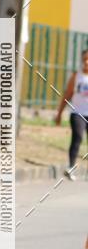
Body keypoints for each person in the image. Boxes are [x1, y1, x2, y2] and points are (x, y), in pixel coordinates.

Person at [55, 47, 88, 180]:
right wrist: (59, 113)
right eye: (85, 59)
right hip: (77, 113)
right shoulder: (76, 76)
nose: (86, 62)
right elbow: (67, 95)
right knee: (78, 137)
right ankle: (71, 167)